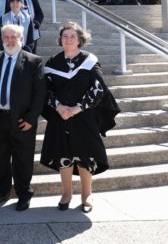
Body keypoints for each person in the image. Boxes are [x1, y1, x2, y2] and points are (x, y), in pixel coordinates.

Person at [40, 22, 120, 213]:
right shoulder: (52, 63)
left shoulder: (89, 61)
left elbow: (98, 88)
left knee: (86, 155)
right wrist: (58, 107)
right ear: (60, 40)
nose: (68, 39)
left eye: (72, 36)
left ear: (79, 40)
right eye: (65, 36)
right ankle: (66, 194)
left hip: (84, 116)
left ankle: (87, 194)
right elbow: (46, 90)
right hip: (60, 116)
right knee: (63, 154)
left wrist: (77, 108)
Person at [0, 24, 47, 211]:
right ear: (2, 39)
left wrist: (31, 118)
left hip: (22, 121)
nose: (10, 40)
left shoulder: (33, 61)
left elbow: (40, 93)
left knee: (23, 159)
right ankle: (1, 192)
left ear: (22, 39)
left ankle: (24, 194)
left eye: (14, 37)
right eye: (6, 37)